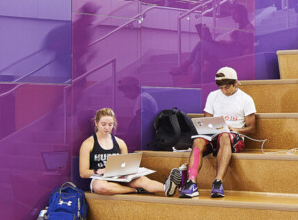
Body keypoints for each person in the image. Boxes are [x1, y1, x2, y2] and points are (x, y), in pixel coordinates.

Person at [165, 67, 256, 199]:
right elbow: (207, 121)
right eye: (221, 88)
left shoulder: (245, 99)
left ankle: (218, 182)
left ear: (235, 83)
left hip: (234, 138)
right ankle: (191, 183)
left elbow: (251, 128)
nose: (224, 91)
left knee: (225, 135)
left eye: (227, 87)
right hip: (213, 136)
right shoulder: (213, 96)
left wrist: (235, 129)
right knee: (198, 141)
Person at [79, 108, 162, 195]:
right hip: (100, 179)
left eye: (110, 124)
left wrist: (131, 170)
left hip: (119, 177)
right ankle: (135, 190)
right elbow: (83, 173)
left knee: (142, 180)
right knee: (100, 187)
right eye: (103, 124)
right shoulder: (88, 144)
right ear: (96, 123)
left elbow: (125, 166)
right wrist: (98, 171)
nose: (107, 128)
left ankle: (169, 188)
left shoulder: (120, 143)